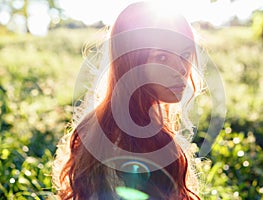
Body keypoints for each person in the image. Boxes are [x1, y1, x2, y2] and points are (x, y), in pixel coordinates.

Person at [53, 1, 205, 199]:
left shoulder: (100, 124)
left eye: (185, 54)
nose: (182, 69)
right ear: (131, 63)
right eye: (162, 58)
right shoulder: (133, 142)